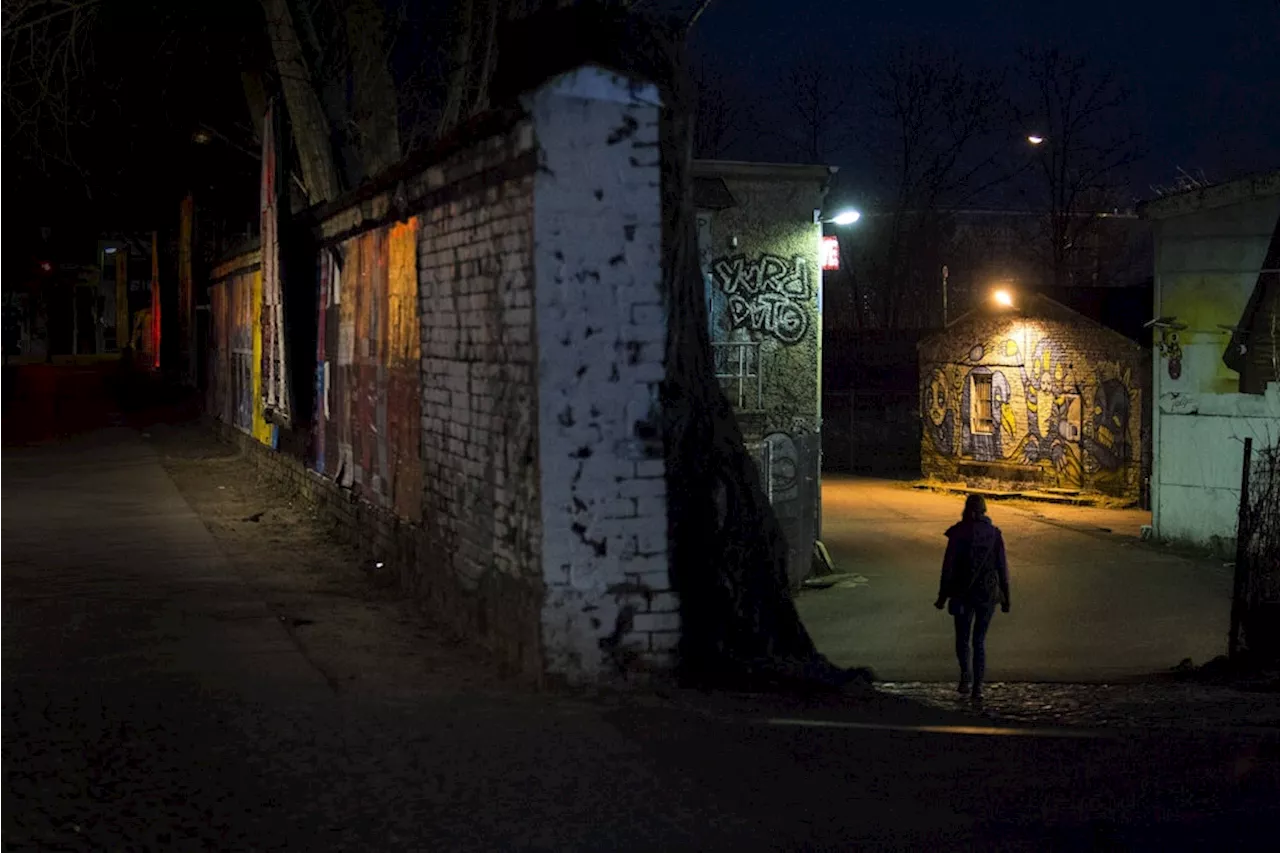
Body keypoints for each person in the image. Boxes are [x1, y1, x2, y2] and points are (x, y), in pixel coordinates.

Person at [934, 494, 1010, 703]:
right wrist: (1006, 597)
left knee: (963, 638)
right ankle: (978, 686)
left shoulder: (958, 533)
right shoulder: (994, 535)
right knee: (979, 640)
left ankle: (965, 677)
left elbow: (948, 568)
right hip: (986, 593)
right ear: (984, 510)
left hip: (962, 592)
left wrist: (942, 596)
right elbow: (1002, 567)